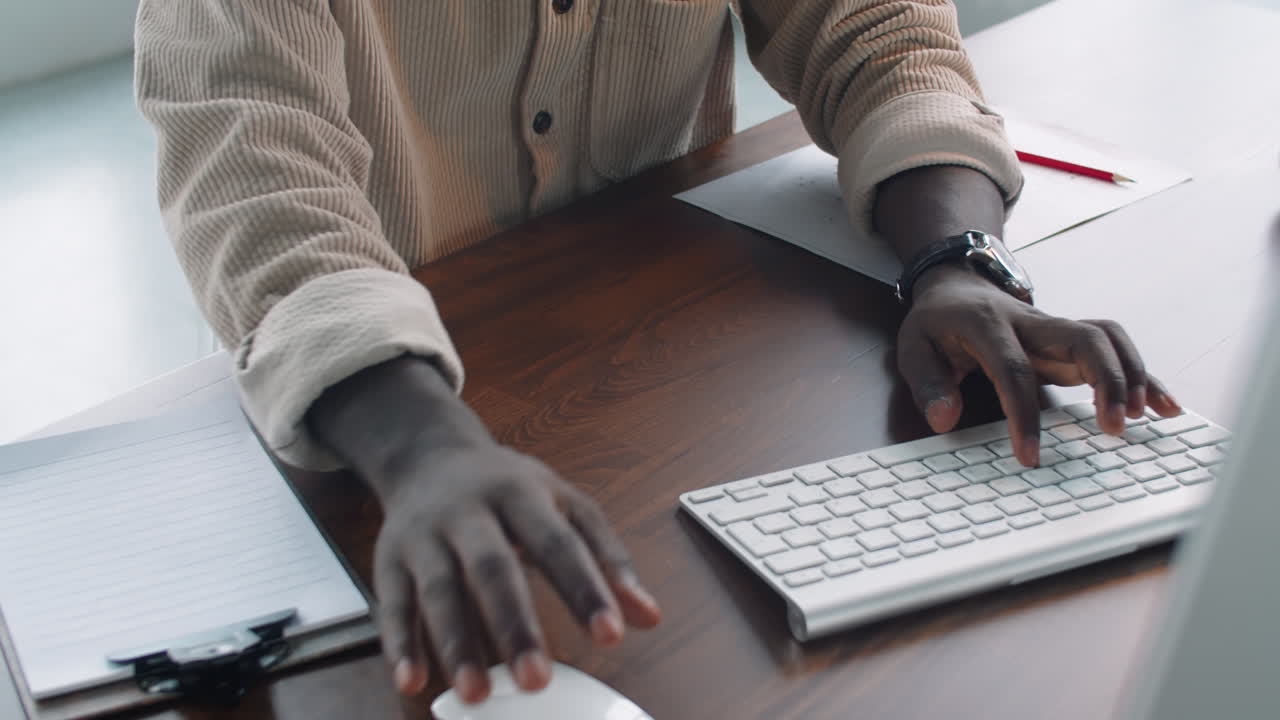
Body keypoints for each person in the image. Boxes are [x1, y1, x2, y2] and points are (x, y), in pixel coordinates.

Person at [134, 0, 1181, 706]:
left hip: (661, 395)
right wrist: (422, 450)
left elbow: (874, 31)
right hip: (369, 438)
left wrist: (953, 260)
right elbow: (253, 168)